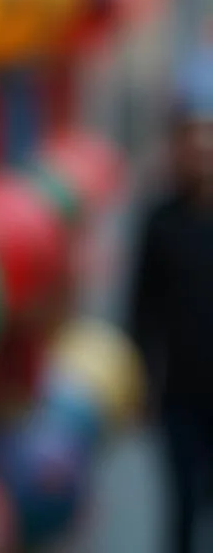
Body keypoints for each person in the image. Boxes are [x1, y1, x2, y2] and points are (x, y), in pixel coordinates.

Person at [128, 48, 213, 553]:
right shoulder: (161, 221)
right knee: (180, 510)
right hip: (180, 393)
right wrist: (141, 376)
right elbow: (141, 308)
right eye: (192, 136)